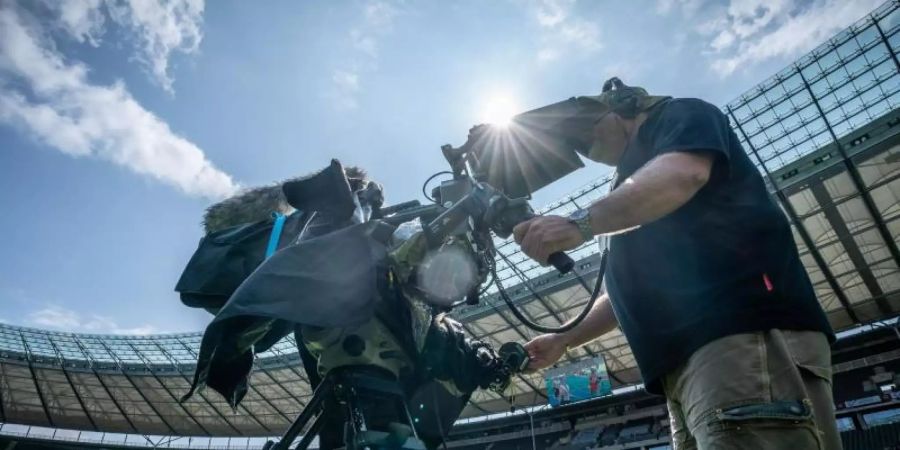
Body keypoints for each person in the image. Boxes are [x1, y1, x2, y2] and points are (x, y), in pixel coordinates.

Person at [511, 77, 839, 449]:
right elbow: (627, 294)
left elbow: (685, 173)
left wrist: (580, 224)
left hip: (740, 339)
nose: (582, 145)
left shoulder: (679, 113)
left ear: (624, 106)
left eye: (587, 129)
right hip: (686, 368)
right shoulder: (628, 190)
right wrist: (564, 339)